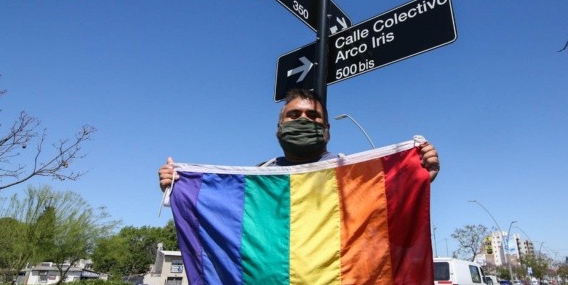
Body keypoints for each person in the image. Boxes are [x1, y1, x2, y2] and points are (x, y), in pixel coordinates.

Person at [158, 89, 440, 190]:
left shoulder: (352, 172)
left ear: (327, 130)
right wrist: (181, 186)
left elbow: (384, 208)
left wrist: (419, 177)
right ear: (279, 127)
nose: (303, 119)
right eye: (293, 115)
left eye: (312, 115)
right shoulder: (259, 176)